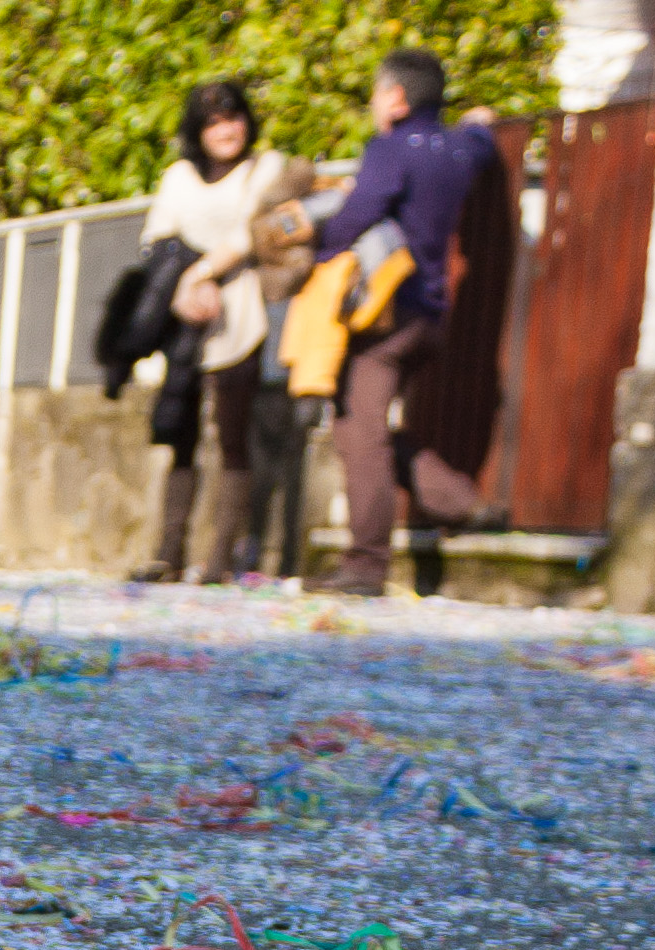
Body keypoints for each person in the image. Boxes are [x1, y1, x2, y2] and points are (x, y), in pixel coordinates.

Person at [307, 48, 491, 595]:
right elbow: (481, 137)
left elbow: (356, 218)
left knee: (356, 432)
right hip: (432, 314)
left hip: (386, 315)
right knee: (372, 429)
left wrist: (314, 251)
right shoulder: (462, 147)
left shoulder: (390, 149)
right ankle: (462, 503)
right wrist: (479, 126)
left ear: (394, 97)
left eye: (374, 93)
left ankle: (365, 566)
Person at [133, 80, 309, 583]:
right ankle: (168, 552)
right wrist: (186, 287)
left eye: (233, 117)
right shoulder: (179, 176)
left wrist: (204, 272)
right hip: (186, 319)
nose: (225, 129)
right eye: (212, 121)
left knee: (233, 435)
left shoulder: (266, 168)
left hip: (242, 315)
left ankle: (220, 559)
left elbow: (253, 232)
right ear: (198, 129)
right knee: (180, 435)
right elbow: (158, 237)